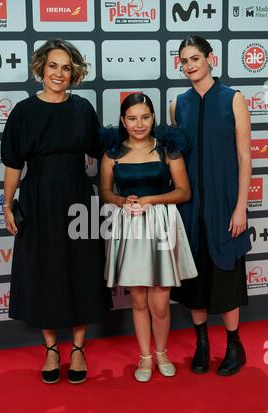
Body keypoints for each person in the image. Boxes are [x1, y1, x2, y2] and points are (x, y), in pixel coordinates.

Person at [1, 38, 110, 385]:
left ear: (73, 72)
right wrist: (7, 205)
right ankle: (51, 348)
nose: (59, 73)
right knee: (42, 270)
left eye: (66, 67)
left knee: (80, 267)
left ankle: (77, 348)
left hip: (78, 197)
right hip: (37, 198)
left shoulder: (82, 109)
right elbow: (13, 164)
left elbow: (102, 151)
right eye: (53, 66)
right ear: (40, 69)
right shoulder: (23, 112)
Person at [100, 93, 197, 382]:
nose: (139, 123)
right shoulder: (112, 153)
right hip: (129, 226)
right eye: (132, 118)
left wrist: (152, 199)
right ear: (123, 121)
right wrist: (120, 201)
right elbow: (105, 192)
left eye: (144, 117)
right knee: (139, 300)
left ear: (154, 118)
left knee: (159, 301)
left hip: (160, 225)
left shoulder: (167, 149)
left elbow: (184, 191)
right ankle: (145, 357)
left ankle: (162, 352)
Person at [170, 36, 252, 376]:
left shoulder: (233, 99)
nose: (189, 65)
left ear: (210, 59)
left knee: (227, 277)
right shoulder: (179, 104)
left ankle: (234, 345)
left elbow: (246, 159)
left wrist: (241, 207)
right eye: (184, 60)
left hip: (224, 205)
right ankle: (202, 344)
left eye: (195, 58)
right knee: (195, 282)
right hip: (190, 208)